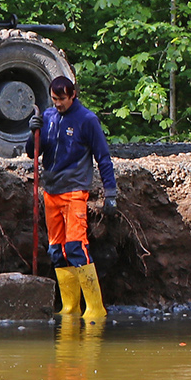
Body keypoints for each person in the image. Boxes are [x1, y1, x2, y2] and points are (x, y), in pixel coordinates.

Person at [37, 75, 119, 321]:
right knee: (56, 250)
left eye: (62, 99)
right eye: (54, 99)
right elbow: (33, 151)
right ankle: (70, 307)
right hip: (51, 191)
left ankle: (95, 307)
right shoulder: (48, 116)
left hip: (74, 191)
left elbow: (103, 158)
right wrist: (33, 131)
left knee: (76, 246)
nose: (58, 104)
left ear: (73, 95)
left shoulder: (87, 120)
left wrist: (110, 193)